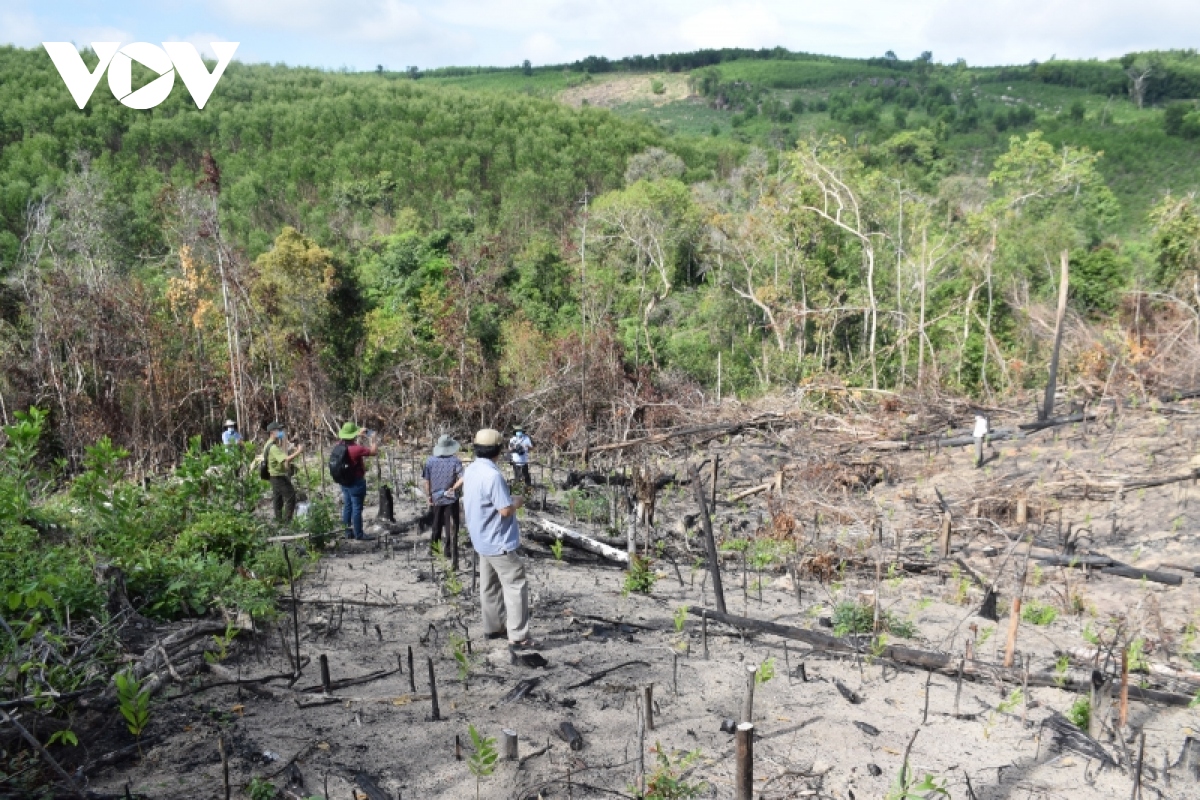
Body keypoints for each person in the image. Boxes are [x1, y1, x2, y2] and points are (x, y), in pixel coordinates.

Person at [463, 428, 533, 648]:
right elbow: (504, 510)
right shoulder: (493, 476)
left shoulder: (472, 469)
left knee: (489, 585)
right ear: (499, 450)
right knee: (515, 585)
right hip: (498, 540)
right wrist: (518, 502)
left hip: (481, 538)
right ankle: (518, 636)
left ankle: (493, 628)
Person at [336, 422, 378, 540]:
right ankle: (359, 534)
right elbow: (374, 452)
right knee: (357, 508)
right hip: (356, 482)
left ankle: (347, 532)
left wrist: (357, 434)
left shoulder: (339, 445)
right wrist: (373, 439)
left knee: (347, 506)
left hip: (344, 481)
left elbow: (349, 439)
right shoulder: (356, 449)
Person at [423, 433, 465, 554]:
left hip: (436, 496)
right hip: (451, 497)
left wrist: (429, 495)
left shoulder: (430, 461)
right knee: (450, 525)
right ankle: (449, 550)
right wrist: (453, 488)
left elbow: (426, 481)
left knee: (436, 523)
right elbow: (463, 478)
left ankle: (435, 549)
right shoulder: (455, 461)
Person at [265, 422, 303, 523]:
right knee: (291, 497)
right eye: (279, 430)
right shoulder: (273, 447)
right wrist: (299, 451)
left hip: (273, 475)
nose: (281, 432)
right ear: (272, 432)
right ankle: (287, 522)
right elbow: (286, 459)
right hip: (278, 476)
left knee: (277, 498)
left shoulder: (268, 444)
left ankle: (278, 520)